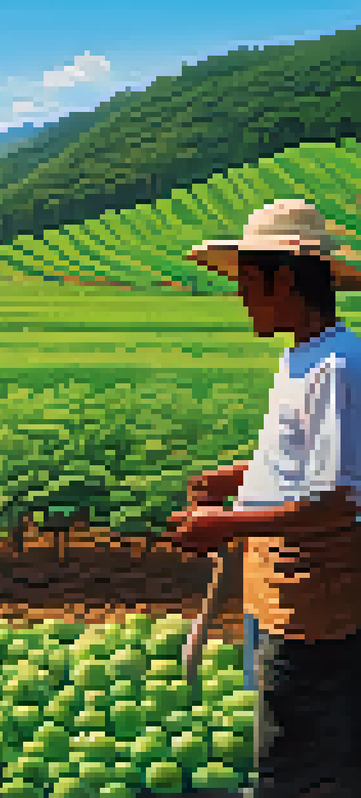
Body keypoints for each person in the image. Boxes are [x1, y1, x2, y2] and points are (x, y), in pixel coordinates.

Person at [172, 198, 361, 796]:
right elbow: (302, 465)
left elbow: (338, 500)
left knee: (298, 760)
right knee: (286, 736)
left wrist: (226, 524)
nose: (241, 297)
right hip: (282, 590)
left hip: (316, 601)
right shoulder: (302, 357)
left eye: (248, 282)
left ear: (283, 279)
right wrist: (237, 478)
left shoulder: (338, 366)